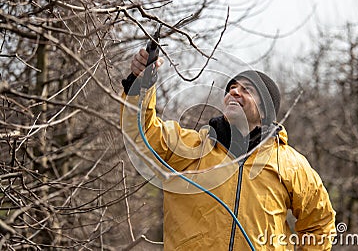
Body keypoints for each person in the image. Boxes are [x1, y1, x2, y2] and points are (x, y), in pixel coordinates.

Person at [121, 48, 336, 250]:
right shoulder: (190, 147)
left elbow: (320, 224)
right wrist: (140, 83)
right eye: (232, 88)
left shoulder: (291, 164)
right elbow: (142, 132)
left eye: (246, 90)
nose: (234, 92)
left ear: (265, 110)